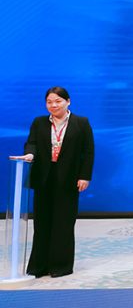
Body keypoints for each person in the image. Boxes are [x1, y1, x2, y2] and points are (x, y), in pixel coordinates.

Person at [21, 87, 94, 278]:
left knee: (64, 221)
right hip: (44, 177)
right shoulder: (39, 122)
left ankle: (60, 266)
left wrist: (84, 176)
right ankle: (39, 266)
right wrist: (30, 154)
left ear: (68, 101)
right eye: (49, 102)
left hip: (69, 178)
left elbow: (88, 152)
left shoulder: (81, 122)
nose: (53, 105)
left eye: (58, 101)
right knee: (42, 222)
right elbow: (31, 143)